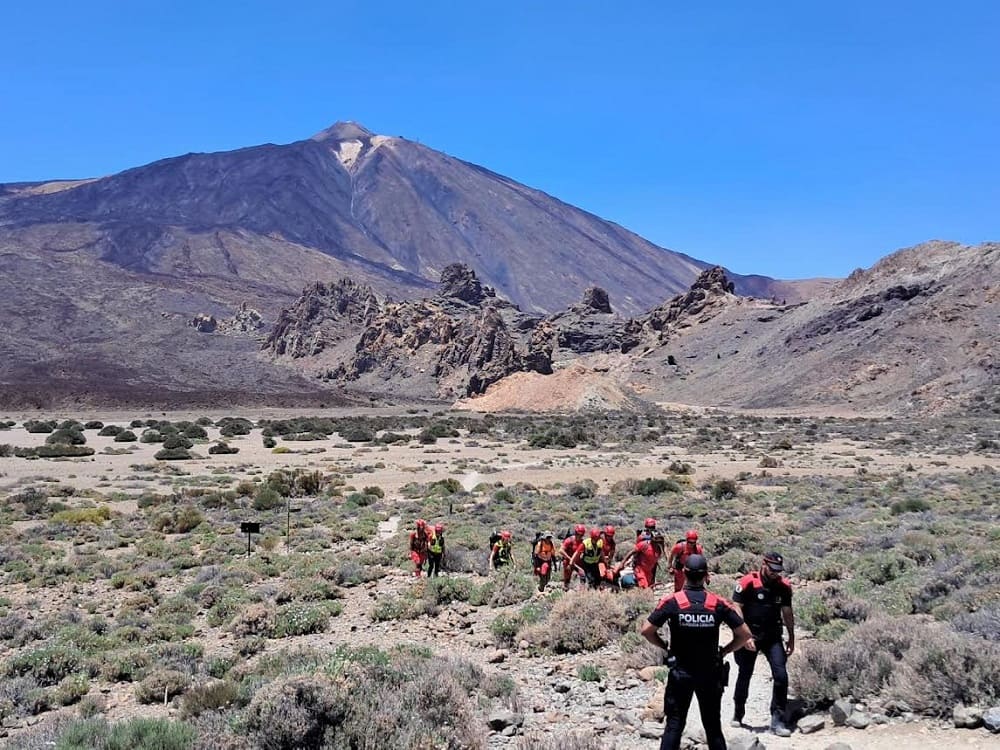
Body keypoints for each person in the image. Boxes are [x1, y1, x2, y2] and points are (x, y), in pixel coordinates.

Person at [641, 554, 752, 750]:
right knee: (712, 727)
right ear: (706, 575)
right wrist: (725, 651)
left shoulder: (673, 602)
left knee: (674, 726)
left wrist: (664, 646)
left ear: (684, 573)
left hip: (681, 673)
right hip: (709, 673)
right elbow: (744, 634)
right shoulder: (717, 603)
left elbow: (646, 630)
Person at [731, 551, 796, 737]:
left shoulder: (783, 587)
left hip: (773, 636)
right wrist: (744, 636)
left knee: (781, 676)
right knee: (745, 673)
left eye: (778, 570)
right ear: (764, 565)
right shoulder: (748, 583)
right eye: (772, 569)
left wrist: (791, 636)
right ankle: (738, 713)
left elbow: (787, 613)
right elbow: (736, 609)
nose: (776, 573)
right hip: (750, 635)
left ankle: (778, 719)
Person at [560, 524, 586, 590]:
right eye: (578, 534)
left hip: (578, 561)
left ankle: (582, 588)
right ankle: (566, 585)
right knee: (567, 570)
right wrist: (570, 559)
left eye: (581, 535)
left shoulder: (583, 542)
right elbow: (561, 550)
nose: (579, 536)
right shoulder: (569, 540)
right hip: (568, 561)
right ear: (575, 533)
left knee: (582, 573)